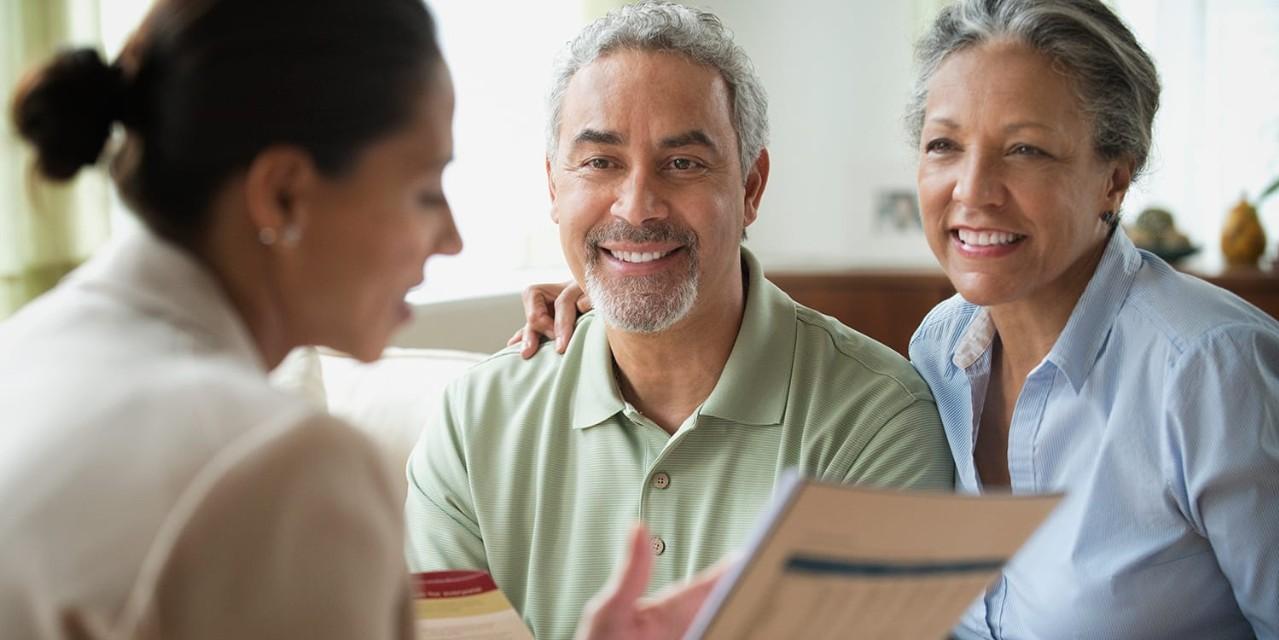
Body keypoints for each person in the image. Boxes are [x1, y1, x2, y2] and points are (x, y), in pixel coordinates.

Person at [522, 0, 1279, 637]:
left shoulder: (1212, 369)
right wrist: (615, 294)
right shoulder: (941, 352)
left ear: (1114, 176)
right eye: (944, 146)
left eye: (1024, 151)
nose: (973, 190)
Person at [0, 0, 694, 637]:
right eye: (424, 190)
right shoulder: (283, 469)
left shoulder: (24, 355)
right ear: (283, 195)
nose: (449, 237)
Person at [403, 3, 954, 638]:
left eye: (684, 163)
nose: (637, 207)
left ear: (751, 187)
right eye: (600, 162)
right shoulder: (475, 424)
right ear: (554, 187)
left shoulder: (876, 420)